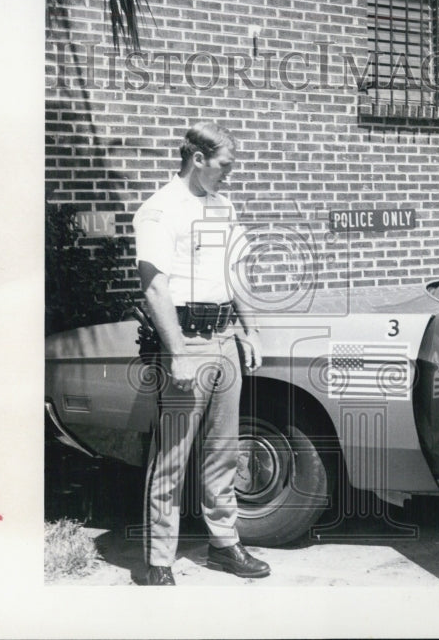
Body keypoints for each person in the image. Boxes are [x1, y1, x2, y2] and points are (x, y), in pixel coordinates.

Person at [133, 122, 267, 587]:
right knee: (172, 454)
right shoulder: (159, 210)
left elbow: (236, 272)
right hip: (185, 341)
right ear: (198, 161)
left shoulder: (223, 206)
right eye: (225, 166)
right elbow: (154, 286)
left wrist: (249, 330)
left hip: (225, 338)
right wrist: (178, 352)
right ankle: (158, 559)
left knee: (223, 449)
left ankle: (224, 544)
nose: (230, 175)